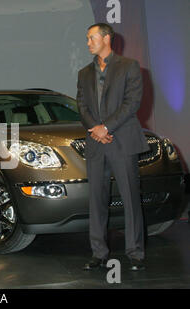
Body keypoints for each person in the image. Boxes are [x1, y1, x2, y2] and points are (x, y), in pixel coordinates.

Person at [76, 23, 149, 271]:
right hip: (96, 144)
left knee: (130, 198)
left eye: (91, 38)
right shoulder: (84, 73)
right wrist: (96, 130)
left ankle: (135, 253)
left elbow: (132, 103)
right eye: (87, 39)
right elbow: (82, 106)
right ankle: (99, 253)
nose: (88, 43)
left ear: (107, 38)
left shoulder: (129, 66)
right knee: (96, 200)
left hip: (122, 141)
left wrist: (106, 128)